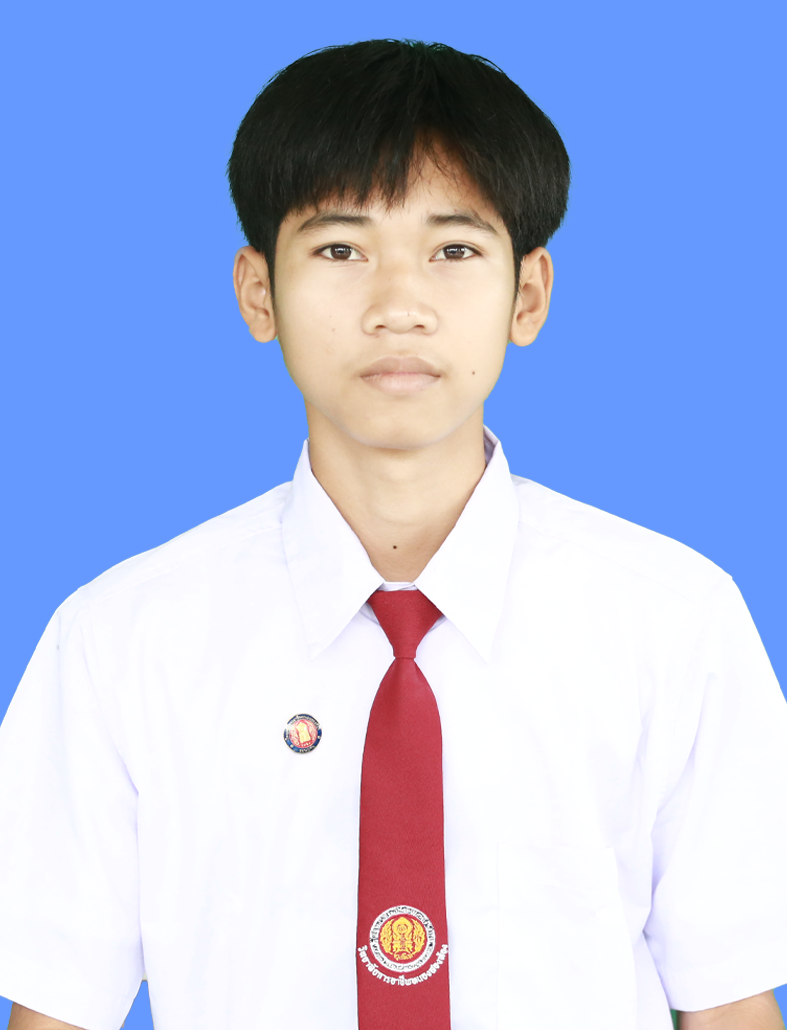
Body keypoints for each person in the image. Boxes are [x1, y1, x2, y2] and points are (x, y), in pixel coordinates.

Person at [1, 38, 786, 1030]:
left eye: (453, 251)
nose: (398, 307)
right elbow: (58, 1008)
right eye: (340, 250)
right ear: (257, 292)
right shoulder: (122, 640)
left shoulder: (673, 620)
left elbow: (728, 1002)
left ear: (528, 295)